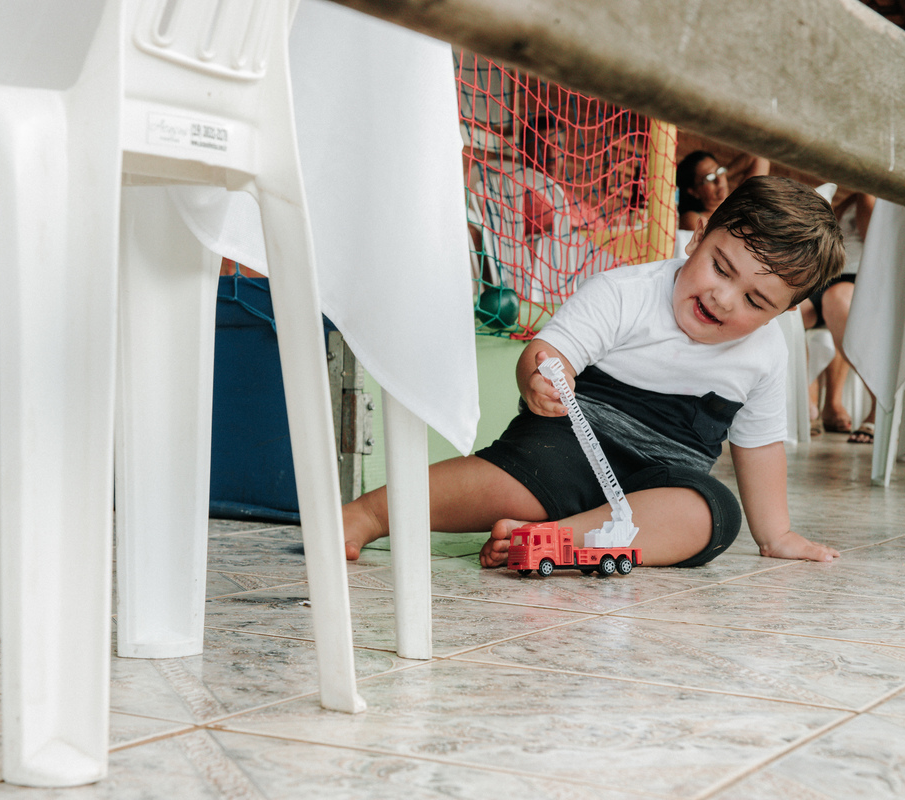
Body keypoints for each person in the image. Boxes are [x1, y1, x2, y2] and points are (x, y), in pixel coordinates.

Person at [343, 176, 844, 568]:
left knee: (713, 513)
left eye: (755, 301)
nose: (724, 298)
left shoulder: (765, 354)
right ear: (697, 237)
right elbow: (550, 352)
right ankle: (371, 513)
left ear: (782, 313)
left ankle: (554, 542)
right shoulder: (624, 293)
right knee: (511, 479)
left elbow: (760, 447)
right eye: (721, 268)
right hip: (565, 451)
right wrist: (541, 375)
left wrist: (776, 534)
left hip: (655, 488)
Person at [799, 190, 877, 442]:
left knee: (838, 301)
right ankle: (808, 401)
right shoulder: (851, 198)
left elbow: (874, 240)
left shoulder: (874, 195)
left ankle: (880, 403)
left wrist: (864, 195)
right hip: (829, 275)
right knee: (790, 311)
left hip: (862, 275)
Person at [676, 150, 770, 231]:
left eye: (719, 171)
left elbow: (759, 158)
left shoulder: (738, 206)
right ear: (693, 191)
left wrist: (723, 175)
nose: (719, 180)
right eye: (709, 178)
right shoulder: (693, 218)